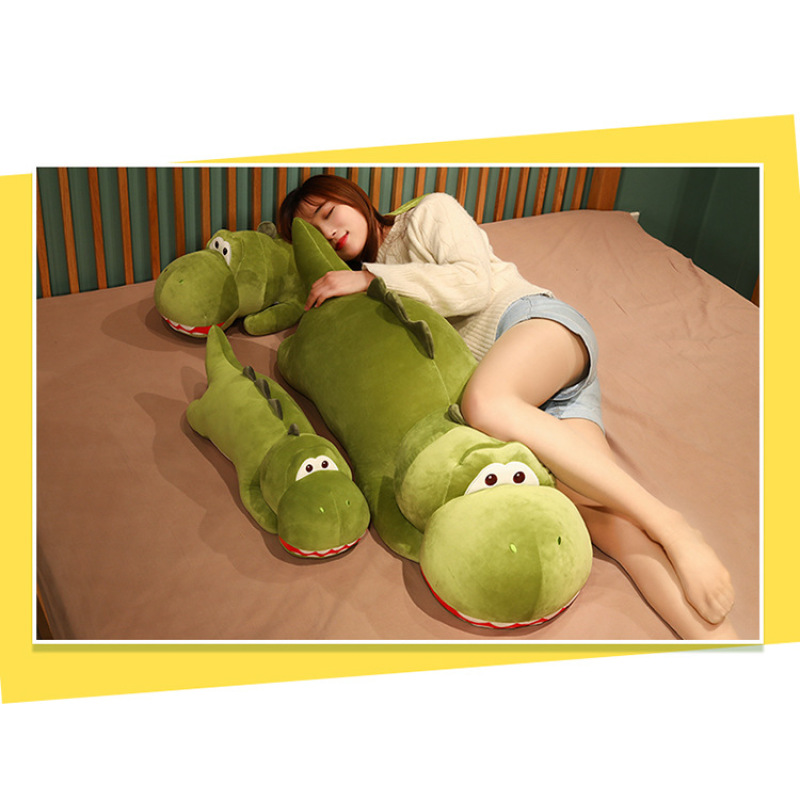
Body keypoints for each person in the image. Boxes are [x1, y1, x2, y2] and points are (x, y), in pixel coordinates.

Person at [277, 174, 737, 640]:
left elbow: (474, 284)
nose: (328, 231)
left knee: (483, 403)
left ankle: (670, 524)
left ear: (354, 198)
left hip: (534, 327)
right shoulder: (361, 288)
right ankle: (720, 642)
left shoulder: (427, 215)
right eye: (315, 232)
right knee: (602, 519)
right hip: (531, 396)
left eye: (328, 212)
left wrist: (370, 278)